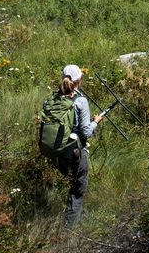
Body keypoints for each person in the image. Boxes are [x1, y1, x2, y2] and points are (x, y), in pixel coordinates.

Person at [54, 64, 103, 227]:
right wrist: (95, 122)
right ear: (78, 80)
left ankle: (72, 216)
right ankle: (70, 228)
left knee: (68, 182)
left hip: (57, 151)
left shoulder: (54, 98)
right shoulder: (81, 102)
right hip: (74, 150)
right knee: (78, 187)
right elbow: (86, 132)